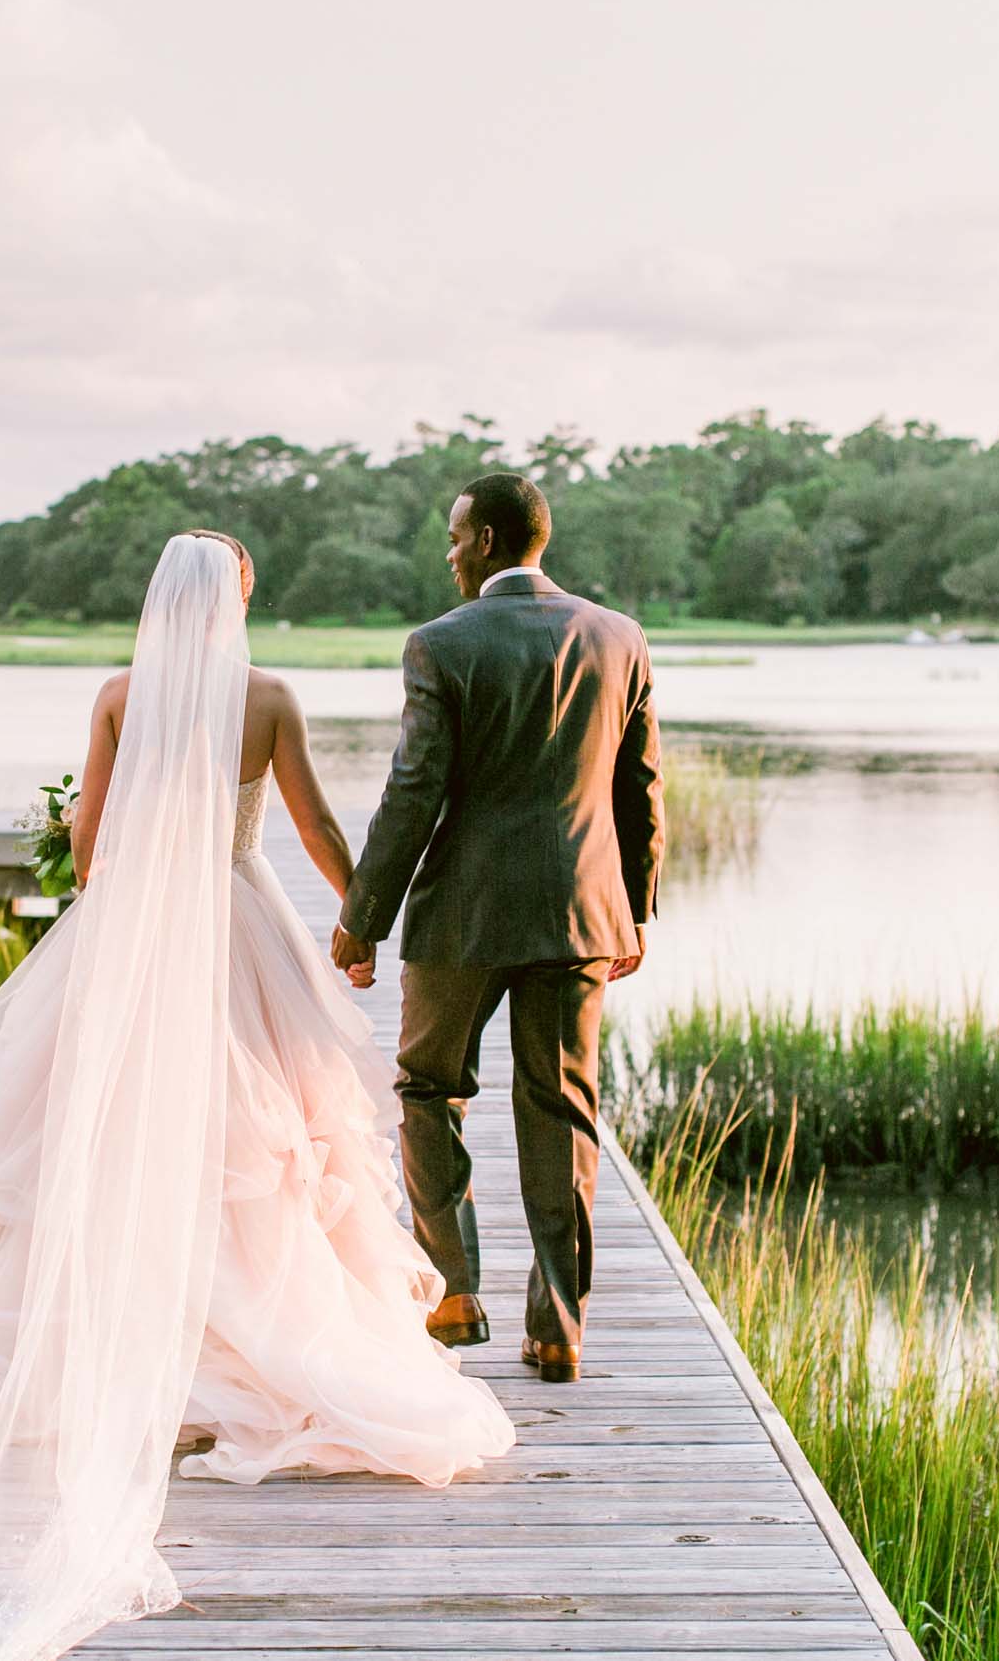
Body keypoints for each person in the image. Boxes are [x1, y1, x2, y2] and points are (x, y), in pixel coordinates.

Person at [0, 530, 514, 1661]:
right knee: (267, 1141)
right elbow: (313, 827)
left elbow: (92, 846)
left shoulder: (113, 696)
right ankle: (242, 1335)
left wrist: (89, 853)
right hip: (240, 922)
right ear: (237, 598)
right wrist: (355, 923)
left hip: (136, 938)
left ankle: (125, 1324)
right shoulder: (271, 699)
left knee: (101, 1131)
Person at [332, 472, 664, 1385]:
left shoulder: (441, 644)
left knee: (428, 1091)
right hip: (580, 917)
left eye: (454, 535)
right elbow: (640, 788)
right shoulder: (618, 637)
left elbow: (414, 790)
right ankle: (559, 1327)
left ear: (486, 541)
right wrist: (633, 908)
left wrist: (364, 916)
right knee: (562, 1109)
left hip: (463, 918)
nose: (447, 551)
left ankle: (452, 1292)